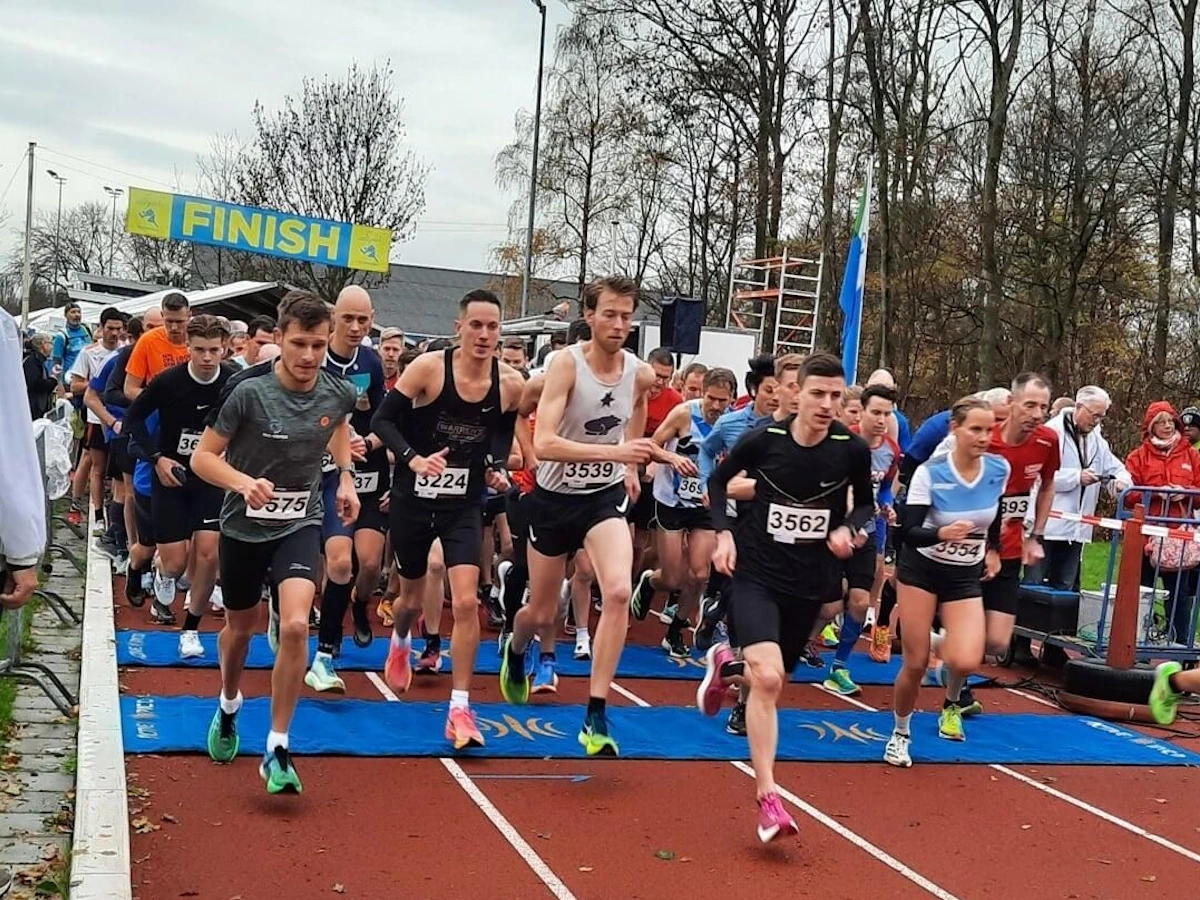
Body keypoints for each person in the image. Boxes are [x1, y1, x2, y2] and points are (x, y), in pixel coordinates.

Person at [699, 352, 874, 842]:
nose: (827, 404)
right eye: (817, 393)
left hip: (807, 583)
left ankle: (727, 664)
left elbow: (865, 505)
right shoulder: (764, 439)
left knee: (771, 679)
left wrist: (848, 529)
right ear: (796, 393)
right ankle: (768, 798)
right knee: (771, 679)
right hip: (756, 575)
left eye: (836, 396)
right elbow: (716, 480)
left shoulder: (851, 450)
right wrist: (724, 535)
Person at [191, 291, 359, 794]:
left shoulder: (338, 391)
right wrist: (242, 483)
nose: (309, 356)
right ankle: (228, 704)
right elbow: (203, 458)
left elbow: (338, 428)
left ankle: (277, 746)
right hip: (243, 526)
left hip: (299, 523)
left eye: (318, 345)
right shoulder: (247, 393)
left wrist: (345, 477)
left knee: (293, 627)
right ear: (279, 339)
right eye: (299, 344)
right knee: (238, 632)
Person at [499, 275, 656, 756]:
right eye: (609, 313)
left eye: (627, 315)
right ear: (588, 316)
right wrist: (614, 450)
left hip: (601, 497)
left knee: (617, 589)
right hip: (552, 500)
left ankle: (595, 712)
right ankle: (517, 647)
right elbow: (544, 442)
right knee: (541, 612)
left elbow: (639, 406)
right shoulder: (564, 366)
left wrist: (627, 460)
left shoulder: (640, 372)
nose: (618, 324)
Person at [372, 289, 523, 749]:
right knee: (412, 600)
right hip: (413, 500)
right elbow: (382, 421)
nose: (483, 334)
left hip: (462, 504)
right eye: (475, 325)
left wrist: (496, 468)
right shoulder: (428, 369)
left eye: (492, 327)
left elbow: (501, 432)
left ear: (500, 332)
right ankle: (400, 639)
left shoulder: (511, 382)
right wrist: (413, 459)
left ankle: (460, 707)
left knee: (463, 602)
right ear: (458, 328)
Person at [884, 397, 1009, 766]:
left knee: (968, 658)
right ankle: (900, 733)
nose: (984, 437)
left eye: (990, 430)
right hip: (922, 569)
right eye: (976, 429)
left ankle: (940, 642)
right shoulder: (931, 473)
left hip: (963, 574)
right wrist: (941, 533)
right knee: (915, 662)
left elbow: (995, 514)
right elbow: (906, 531)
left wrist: (994, 549)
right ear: (955, 430)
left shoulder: (998, 469)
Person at [124, 315, 235, 647]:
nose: (206, 358)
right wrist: (157, 458)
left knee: (208, 555)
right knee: (175, 565)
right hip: (171, 477)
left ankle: (190, 629)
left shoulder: (233, 382)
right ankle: (150, 567)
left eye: (213, 350)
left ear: (224, 349)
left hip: (210, 478)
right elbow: (133, 419)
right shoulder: (167, 381)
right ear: (187, 347)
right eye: (199, 350)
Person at [306, 286, 389, 694]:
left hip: (364, 471)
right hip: (318, 472)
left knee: (366, 565)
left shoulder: (372, 362)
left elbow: (383, 417)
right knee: (339, 563)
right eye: (348, 319)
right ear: (333, 316)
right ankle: (325, 645)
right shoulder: (314, 357)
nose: (356, 327)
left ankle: (352, 612)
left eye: (364, 320)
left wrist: (368, 444)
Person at [963, 372, 1057, 716]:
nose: (1036, 413)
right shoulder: (986, 440)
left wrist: (1036, 535)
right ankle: (954, 699)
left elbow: (1047, 485)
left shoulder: (1048, 440)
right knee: (970, 643)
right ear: (1012, 404)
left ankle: (944, 648)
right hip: (971, 548)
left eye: (1043, 407)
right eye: (1030, 405)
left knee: (996, 643)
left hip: (1011, 550)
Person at [634, 367, 737, 655]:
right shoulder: (683, 414)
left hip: (704, 505)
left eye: (722, 400)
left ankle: (675, 630)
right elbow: (651, 446)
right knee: (672, 579)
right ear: (702, 392)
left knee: (699, 575)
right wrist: (672, 458)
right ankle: (649, 580)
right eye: (711, 398)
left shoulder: (733, 423)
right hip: (672, 501)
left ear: (731, 399)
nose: (715, 406)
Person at [1025, 386, 1129, 591]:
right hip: (1047, 526)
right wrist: (1075, 478)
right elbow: (1037, 476)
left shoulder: (1097, 440)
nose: (1097, 421)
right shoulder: (1051, 432)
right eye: (1094, 415)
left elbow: (1116, 468)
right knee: (1033, 587)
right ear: (1079, 407)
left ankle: (1061, 624)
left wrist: (1120, 482)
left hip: (1076, 529)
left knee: (1065, 587)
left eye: (1101, 416)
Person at [67, 307, 124, 537]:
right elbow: (75, 385)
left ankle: (113, 515)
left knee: (118, 471)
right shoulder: (89, 352)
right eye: (110, 328)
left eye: (118, 329)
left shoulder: (125, 352)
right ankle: (97, 514)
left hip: (119, 418)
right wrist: (97, 384)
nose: (114, 333)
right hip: (95, 416)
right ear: (101, 329)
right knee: (96, 465)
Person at [123, 291, 191, 400]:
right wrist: (159, 401)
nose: (174, 327)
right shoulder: (148, 340)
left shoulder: (198, 338)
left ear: (189, 316)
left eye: (179, 322)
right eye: (169, 321)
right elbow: (130, 389)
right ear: (162, 315)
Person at [23, 332, 57, 420]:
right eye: (50, 343)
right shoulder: (31, 361)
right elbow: (35, 384)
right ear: (43, 345)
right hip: (33, 408)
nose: (52, 347)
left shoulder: (39, 361)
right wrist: (52, 381)